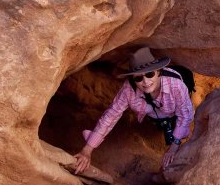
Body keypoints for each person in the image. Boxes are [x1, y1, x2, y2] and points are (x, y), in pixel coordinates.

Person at [74, 47, 194, 177]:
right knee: (163, 125)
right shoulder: (128, 89)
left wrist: (174, 147)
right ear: (132, 78)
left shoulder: (175, 84)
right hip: (156, 114)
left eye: (149, 74)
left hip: (175, 110)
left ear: (159, 71)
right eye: (138, 78)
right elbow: (111, 116)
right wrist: (87, 150)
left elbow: (185, 114)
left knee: (178, 132)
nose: (145, 82)